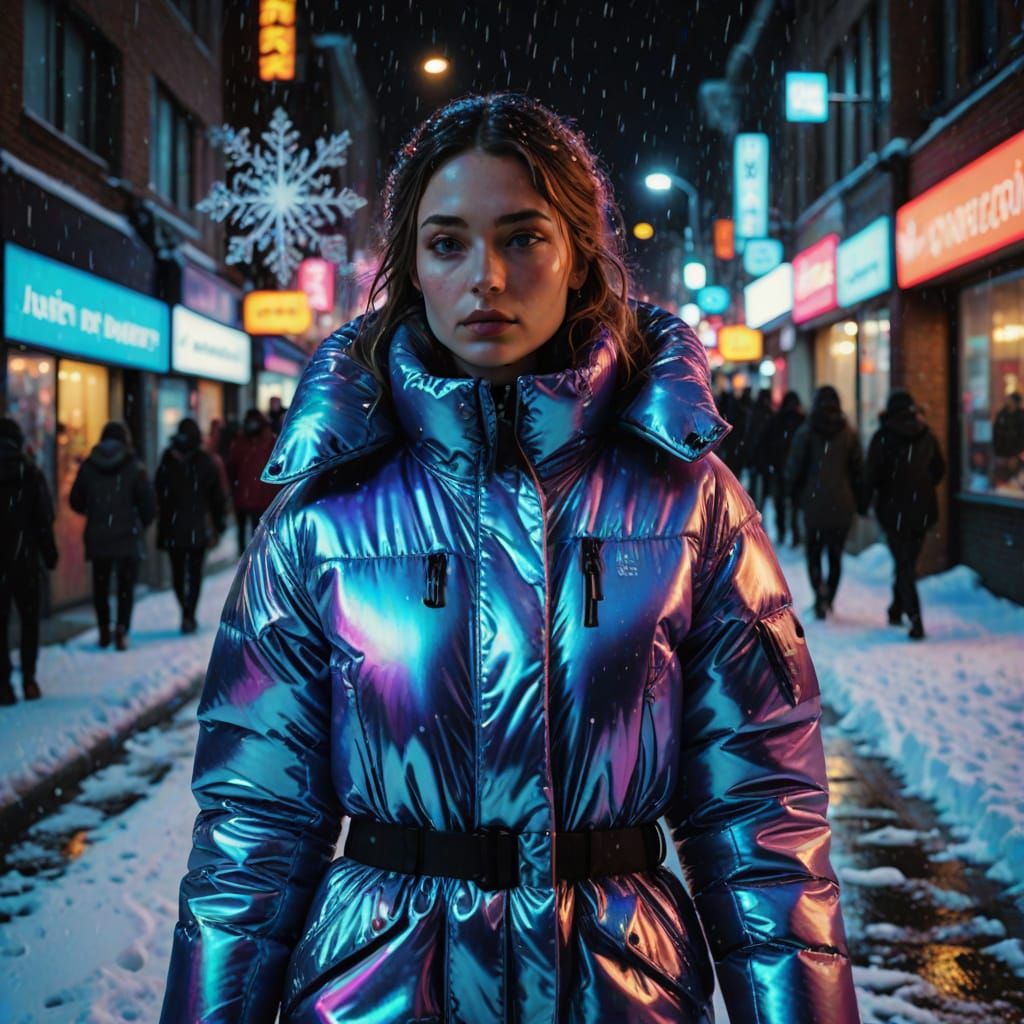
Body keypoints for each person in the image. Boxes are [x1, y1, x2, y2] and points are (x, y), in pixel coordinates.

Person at [161, 93, 857, 1024]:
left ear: (576, 255)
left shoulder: (691, 500)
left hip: (622, 994)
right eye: (447, 243)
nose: (484, 276)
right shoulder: (323, 512)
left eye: (522, 238)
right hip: (377, 996)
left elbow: (765, 826)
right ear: (410, 266)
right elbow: (253, 832)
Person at [864, 389, 946, 640]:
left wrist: (866, 501)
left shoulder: (884, 437)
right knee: (906, 562)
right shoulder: (926, 435)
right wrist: (920, 486)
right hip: (921, 511)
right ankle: (896, 608)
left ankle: (915, 617)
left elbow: (872, 476)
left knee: (904, 565)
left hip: (893, 511)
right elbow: (939, 470)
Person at [69, 422, 155, 651]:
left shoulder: (89, 465)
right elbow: (148, 506)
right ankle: (122, 629)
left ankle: (103, 630)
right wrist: (137, 523)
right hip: (127, 536)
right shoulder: (134, 467)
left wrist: (95, 511)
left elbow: (75, 501)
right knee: (126, 587)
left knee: (101, 585)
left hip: (99, 536)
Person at [786, 385, 863, 619]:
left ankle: (819, 595)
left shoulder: (806, 433)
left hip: (813, 503)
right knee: (835, 554)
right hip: (842, 504)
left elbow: (794, 470)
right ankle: (829, 596)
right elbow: (858, 470)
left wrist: (795, 495)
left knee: (814, 552)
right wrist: (858, 499)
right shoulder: (849, 433)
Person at [0, 418, 58, 703]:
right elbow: (43, 518)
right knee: (29, 621)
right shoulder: (29, 472)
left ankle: (3, 684)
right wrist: (49, 552)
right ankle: (29, 679)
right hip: (25, 559)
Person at [155, 418, 227, 634]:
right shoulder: (204, 461)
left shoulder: (168, 459)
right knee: (194, 574)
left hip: (173, 526)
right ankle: (189, 613)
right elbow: (217, 497)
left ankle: (185, 609)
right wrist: (219, 522)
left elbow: (159, 493)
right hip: (197, 526)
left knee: (178, 573)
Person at [225, 407, 278, 555]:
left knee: (257, 531)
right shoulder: (242, 442)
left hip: (260, 496)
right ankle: (245, 556)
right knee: (247, 530)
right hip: (247, 495)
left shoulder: (269, 441)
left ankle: (253, 556)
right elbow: (232, 466)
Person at [763, 389, 805, 545]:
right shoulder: (802, 421)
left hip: (778, 467)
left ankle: (782, 531)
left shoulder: (776, 420)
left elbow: (766, 443)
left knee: (780, 502)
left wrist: (770, 463)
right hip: (796, 470)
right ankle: (794, 532)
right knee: (794, 502)